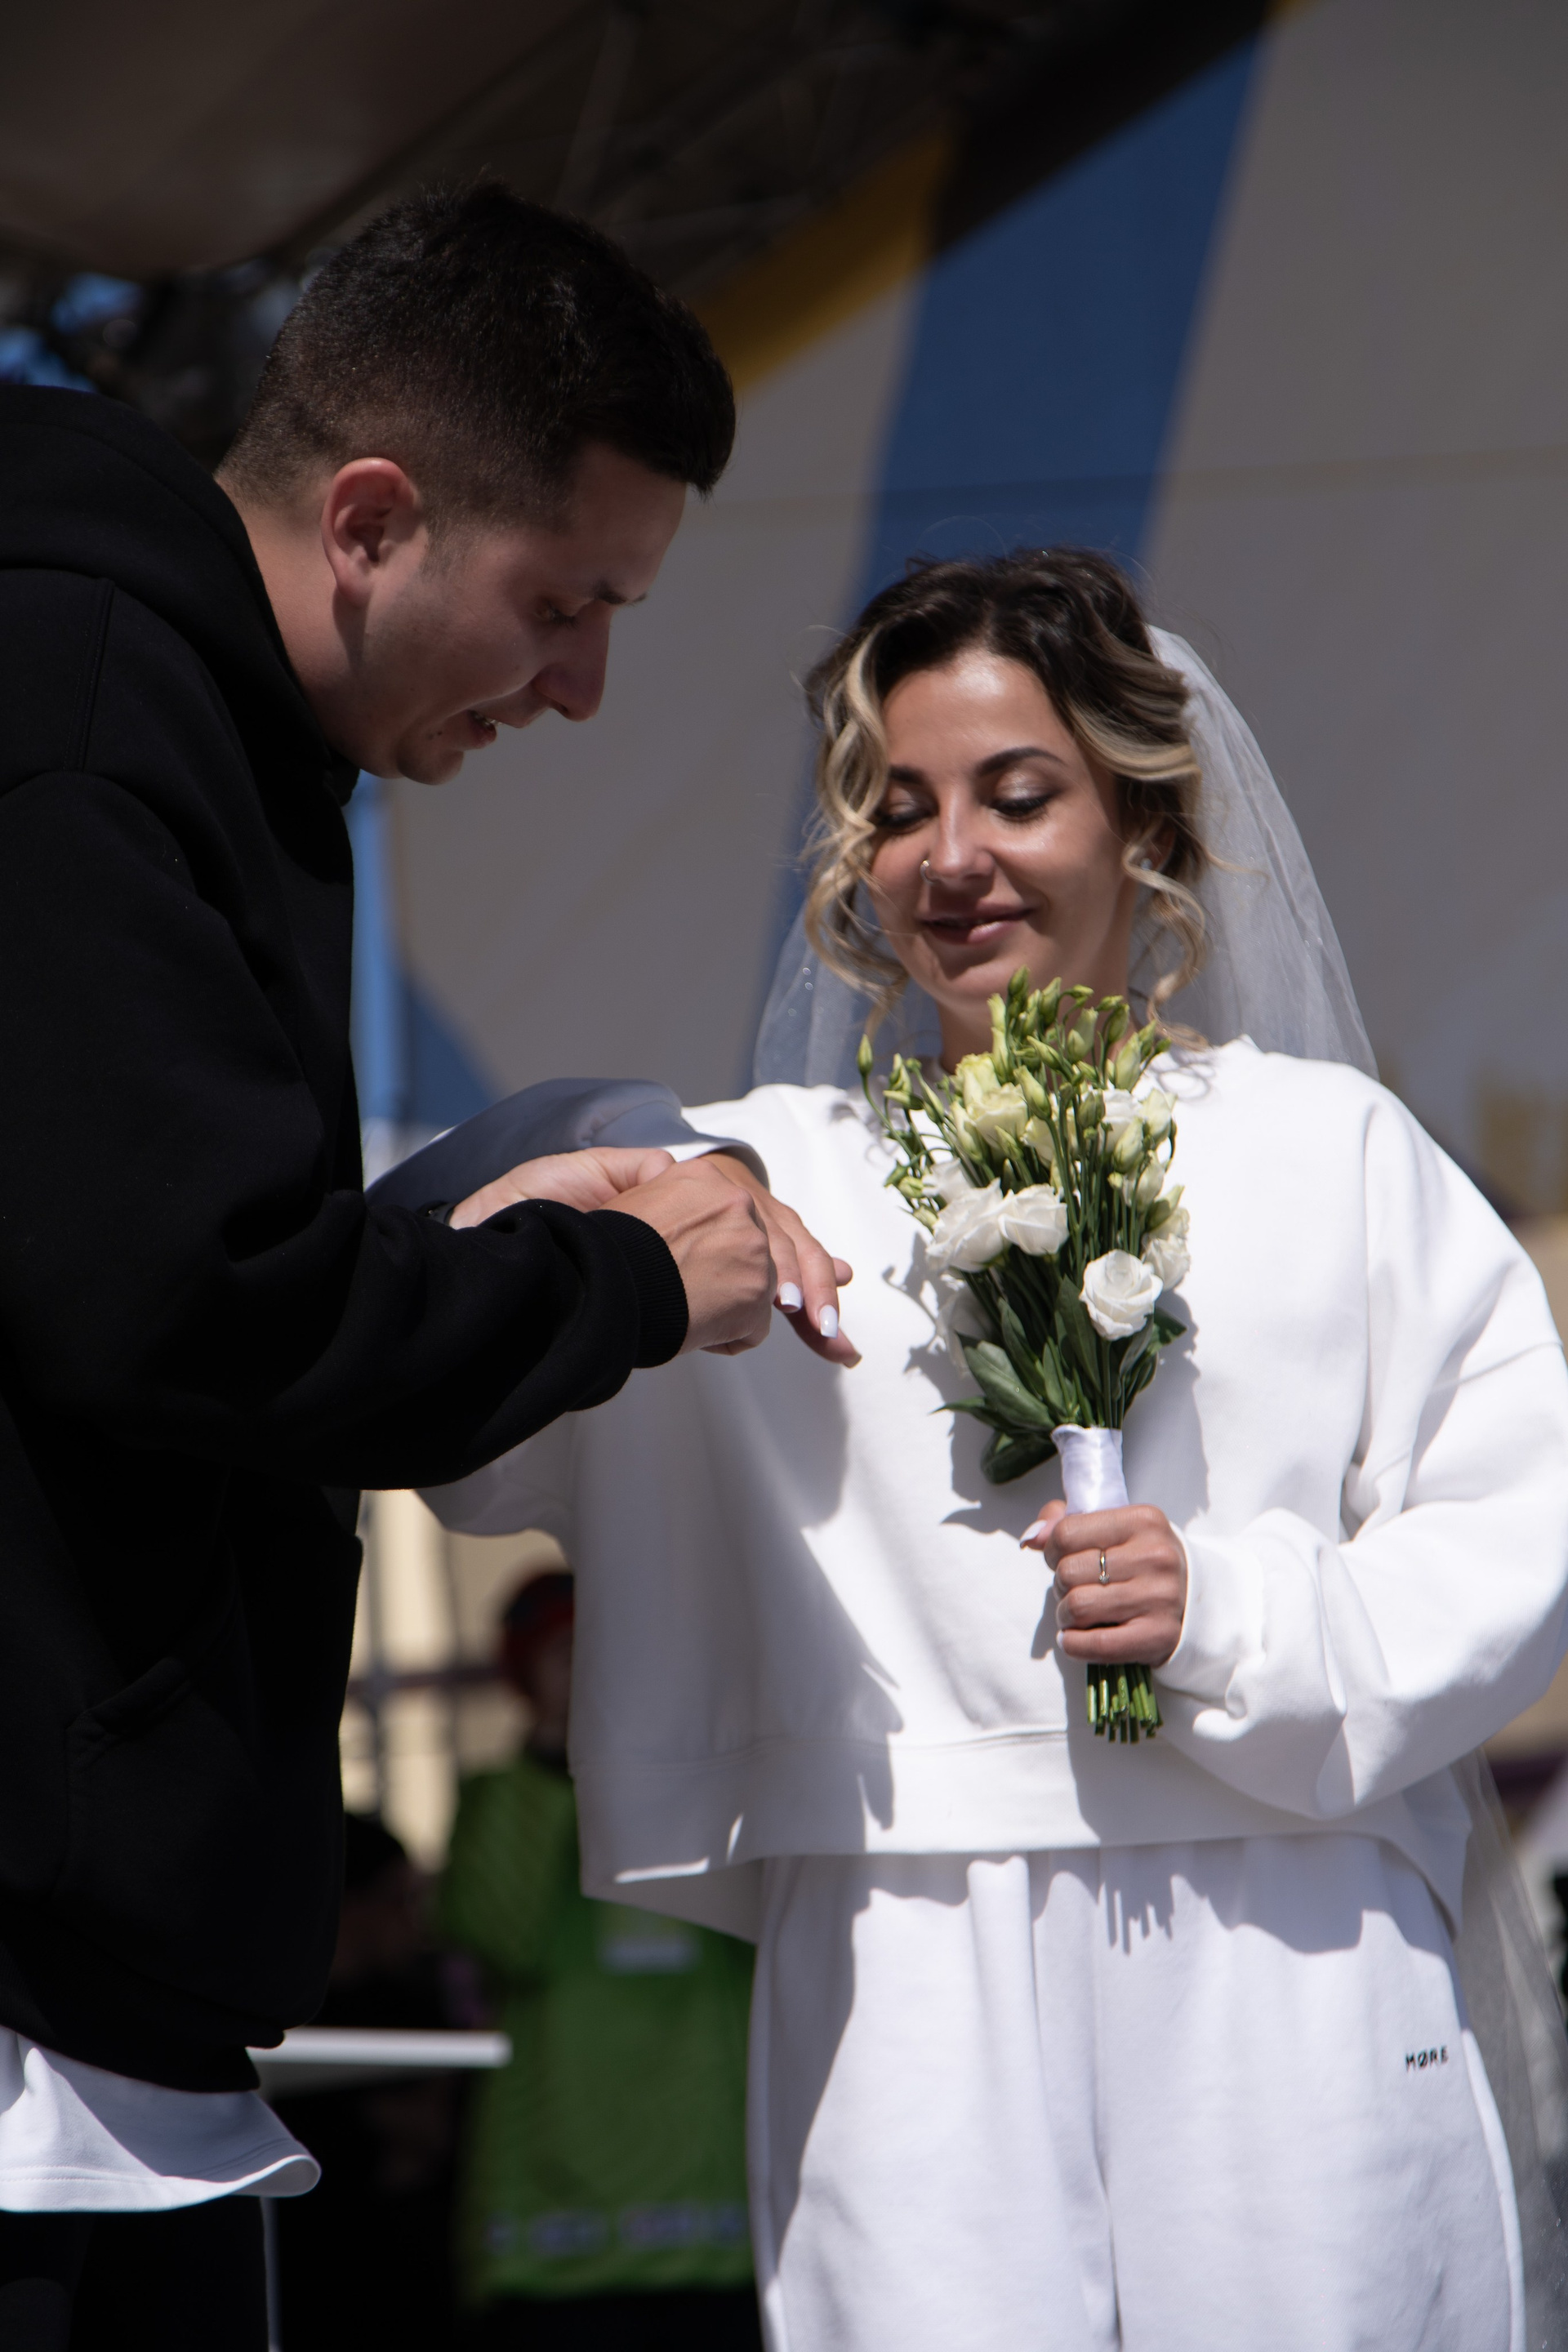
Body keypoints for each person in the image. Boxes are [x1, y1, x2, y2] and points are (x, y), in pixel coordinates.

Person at [421, 548, 1568, 2352]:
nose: (950, 857)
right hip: (905, 1945)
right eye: (899, 809)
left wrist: (1232, 1612)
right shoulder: (759, 1176)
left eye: (1017, 796)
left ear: (1147, 824)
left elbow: (1515, 1521)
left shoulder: (1331, 1149)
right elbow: (438, 1340)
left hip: (1283, 1914)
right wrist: (639, 1147)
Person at [0, 181, 848, 2347]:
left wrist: (490, 1208)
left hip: (108, 1995)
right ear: (372, 517)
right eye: (564, 603)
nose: (584, 687)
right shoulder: (83, 714)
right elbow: (190, 1310)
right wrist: (620, 1285)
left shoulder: (181, 713)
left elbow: (121, 1258)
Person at [440, 1571, 759, 2351]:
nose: (594, 1673)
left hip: (718, 2222)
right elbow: (493, 1932)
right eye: (567, 1654)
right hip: (556, 2226)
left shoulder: (720, 1789)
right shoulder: (501, 1797)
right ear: (528, 1676)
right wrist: (555, 1758)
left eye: (612, 1653)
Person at [271, 1815, 461, 2350]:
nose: (416, 1920)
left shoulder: (418, 2005)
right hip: (306, 2278)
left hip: (401, 2287)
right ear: (348, 1902)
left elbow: (431, 2133)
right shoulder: (278, 2015)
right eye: (401, 1900)